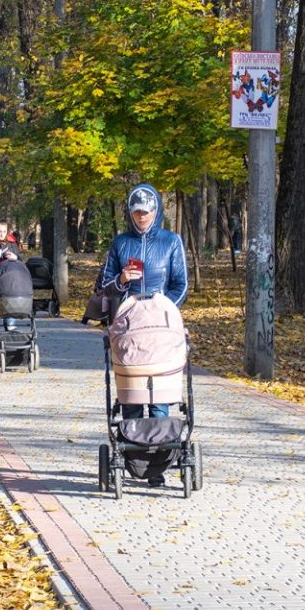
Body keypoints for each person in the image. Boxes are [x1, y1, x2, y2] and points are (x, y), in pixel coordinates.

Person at [99, 183, 189, 483]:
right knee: (133, 395)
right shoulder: (120, 244)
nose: (142, 217)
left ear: (156, 211)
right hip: (129, 327)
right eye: (137, 212)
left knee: (159, 397)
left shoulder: (171, 241)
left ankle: (158, 463)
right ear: (130, 213)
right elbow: (104, 285)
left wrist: (162, 308)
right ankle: (134, 458)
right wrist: (122, 280)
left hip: (161, 326)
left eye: (147, 212)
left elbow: (181, 284)